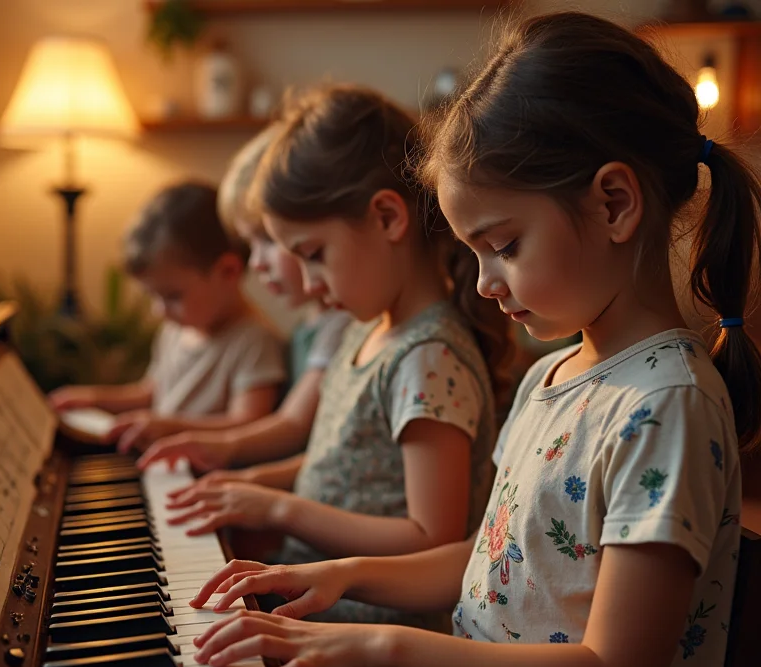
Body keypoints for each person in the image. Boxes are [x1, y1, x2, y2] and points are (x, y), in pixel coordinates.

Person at [185, 12, 761, 667]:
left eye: (505, 246)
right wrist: (337, 576)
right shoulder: (552, 377)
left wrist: (379, 646)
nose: (484, 285)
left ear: (615, 204)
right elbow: (490, 558)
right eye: (474, 253)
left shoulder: (667, 407)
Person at [162, 85, 512, 631]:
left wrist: (281, 509)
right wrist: (252, 483)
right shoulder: (367, 329)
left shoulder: (429, 359)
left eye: (315, 256)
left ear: (387, 219)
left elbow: (432, 537)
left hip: (373, 633)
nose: (306, 283)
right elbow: (341, 467)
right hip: (323, 609)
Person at [136, 125, 351, 492]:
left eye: (269, 239)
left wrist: (231, 469)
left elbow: (291, 426)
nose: (255, 264)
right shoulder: (310, 324)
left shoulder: (336, 327)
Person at [48, 181, 286, 453]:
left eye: (172, 296)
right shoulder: (178, 328)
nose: (159, 311)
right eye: (154, 297)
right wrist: (93, 399)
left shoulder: (254, 341)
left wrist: (171, 427)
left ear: (228, 272)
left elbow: (249, 422)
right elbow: (151, 392)